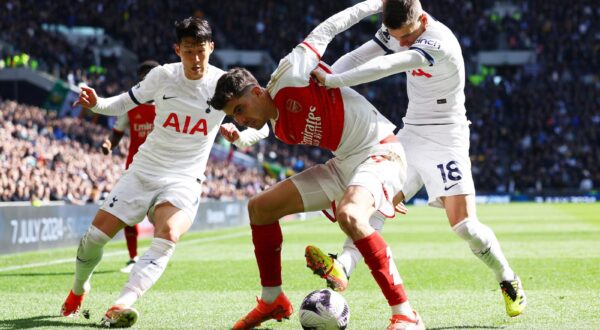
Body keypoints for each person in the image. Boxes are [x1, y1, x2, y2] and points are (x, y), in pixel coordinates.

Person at [209, 1, 424, 329]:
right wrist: (240, 138)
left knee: (350, 215)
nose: (240, 118)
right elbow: (264, 128)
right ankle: (272, 300)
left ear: (256, 91)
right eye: (233, 116)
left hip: (380, 151)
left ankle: (405, 313)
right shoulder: (276, 122)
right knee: (260, 208)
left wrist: (377, 4)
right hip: (344, 165)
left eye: (239, 109)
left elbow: (328, 29)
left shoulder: (290, 74)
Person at [308, 0, 527, 318]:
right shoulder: (397, 28)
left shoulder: (440, 41)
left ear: (422, 19)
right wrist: (327, 74)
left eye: (408, 37)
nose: (403, 43)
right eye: (398, 38)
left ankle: (507, 278)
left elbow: (386, 67)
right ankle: (342, 265)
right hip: (411, 133)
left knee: (465, 226)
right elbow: (362, 55)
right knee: (376, 203)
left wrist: (335, 82)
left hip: (447, 137)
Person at [59, 17, 267, 328]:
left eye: (201, 50)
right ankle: (78, 289)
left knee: (168, 234)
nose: (195, 59)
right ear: (177, 49)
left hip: (184, 178)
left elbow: (262, 124)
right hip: (144, 170)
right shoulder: (163, 76)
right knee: (95, 238)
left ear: (211, 47)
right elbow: (124, 103)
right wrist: (97, 103)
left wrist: (242, 137)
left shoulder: (224, 85)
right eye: (188, 51)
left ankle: (121, 304)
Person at [101, 60, 159, 274]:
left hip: (163, 167)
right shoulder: (131, 106)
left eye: (150, 77)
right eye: (143, 78)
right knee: (126, 213)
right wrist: (109, 144)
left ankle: (156, 256)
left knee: (160, 214)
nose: (146, 81)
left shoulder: (169, 103)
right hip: (135, 167)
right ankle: (133, 258)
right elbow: (117, 134)